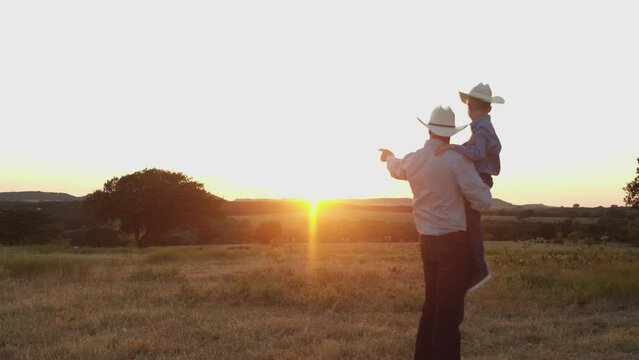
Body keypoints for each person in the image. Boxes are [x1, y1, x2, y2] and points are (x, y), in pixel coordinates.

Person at [379, 106, 492, 360]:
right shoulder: (456, 160)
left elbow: (396, 167)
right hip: (454, 244)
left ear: (429, 130)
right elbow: (484, 201)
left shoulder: (414, 159)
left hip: (426, 243)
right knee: (448, 317)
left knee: (430, 310)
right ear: (450, 134)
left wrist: (388, 157)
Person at [436, 83, 504, 292]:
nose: (468, 109)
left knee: (470, 223)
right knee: (467, 219)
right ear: (489, 108)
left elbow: (477, 154)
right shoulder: (483, 127)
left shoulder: (482, 128)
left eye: (469, 105)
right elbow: (473, 148)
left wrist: (452, 148)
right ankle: (471, 265)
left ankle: (478, 269)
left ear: (470, 107)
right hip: (482, 177)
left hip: (481, 178)